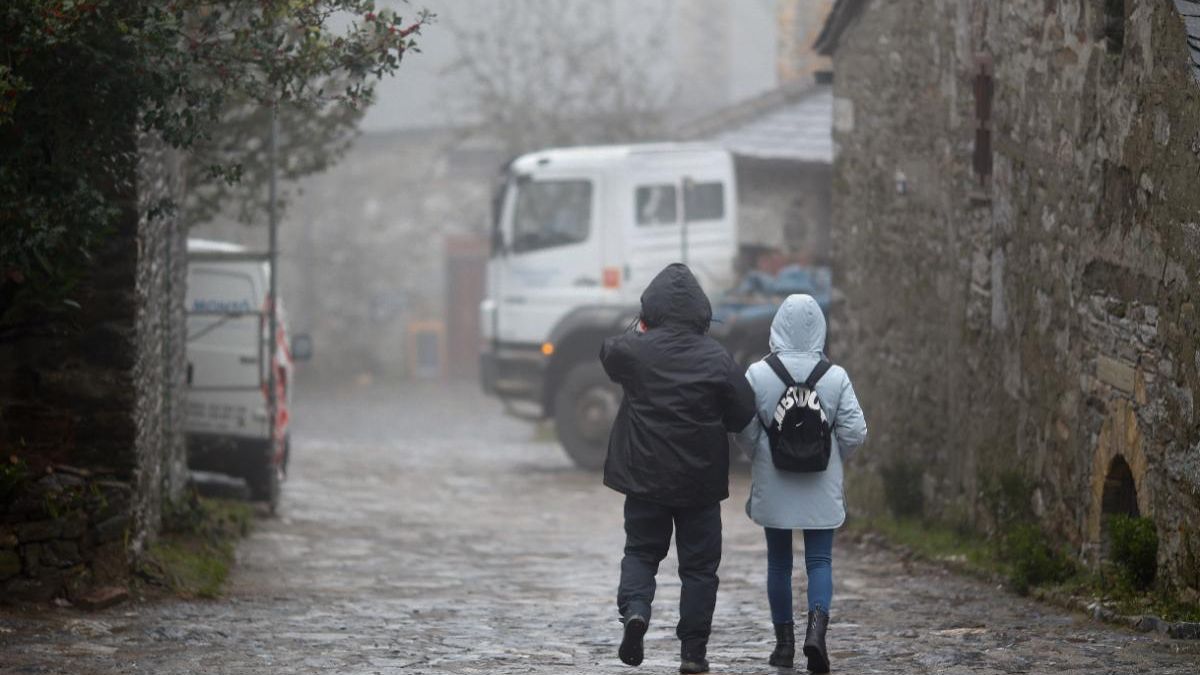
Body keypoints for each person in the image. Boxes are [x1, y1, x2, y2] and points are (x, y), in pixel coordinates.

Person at [600, 263, 756, 674]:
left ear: (650, 309)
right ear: (701, 313)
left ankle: (636, 611)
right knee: (700, 568)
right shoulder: (718, 359)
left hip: (645, 478)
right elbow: (743, 413)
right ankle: (693, 653)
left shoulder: (634, 351)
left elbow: (608, 351)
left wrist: (641, 331)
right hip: (700, 484)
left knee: (640, 551)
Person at [737, 294, 867, 673]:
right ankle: (817, 634)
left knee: (778, 562)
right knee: (820, 561)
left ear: (777, 324)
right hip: (820, 482)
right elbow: (855, 432)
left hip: (774, 481)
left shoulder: (758, 374)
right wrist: (835, 458)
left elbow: (743, 428)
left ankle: (783, 646)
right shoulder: (835, 377)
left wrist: (761, 453)